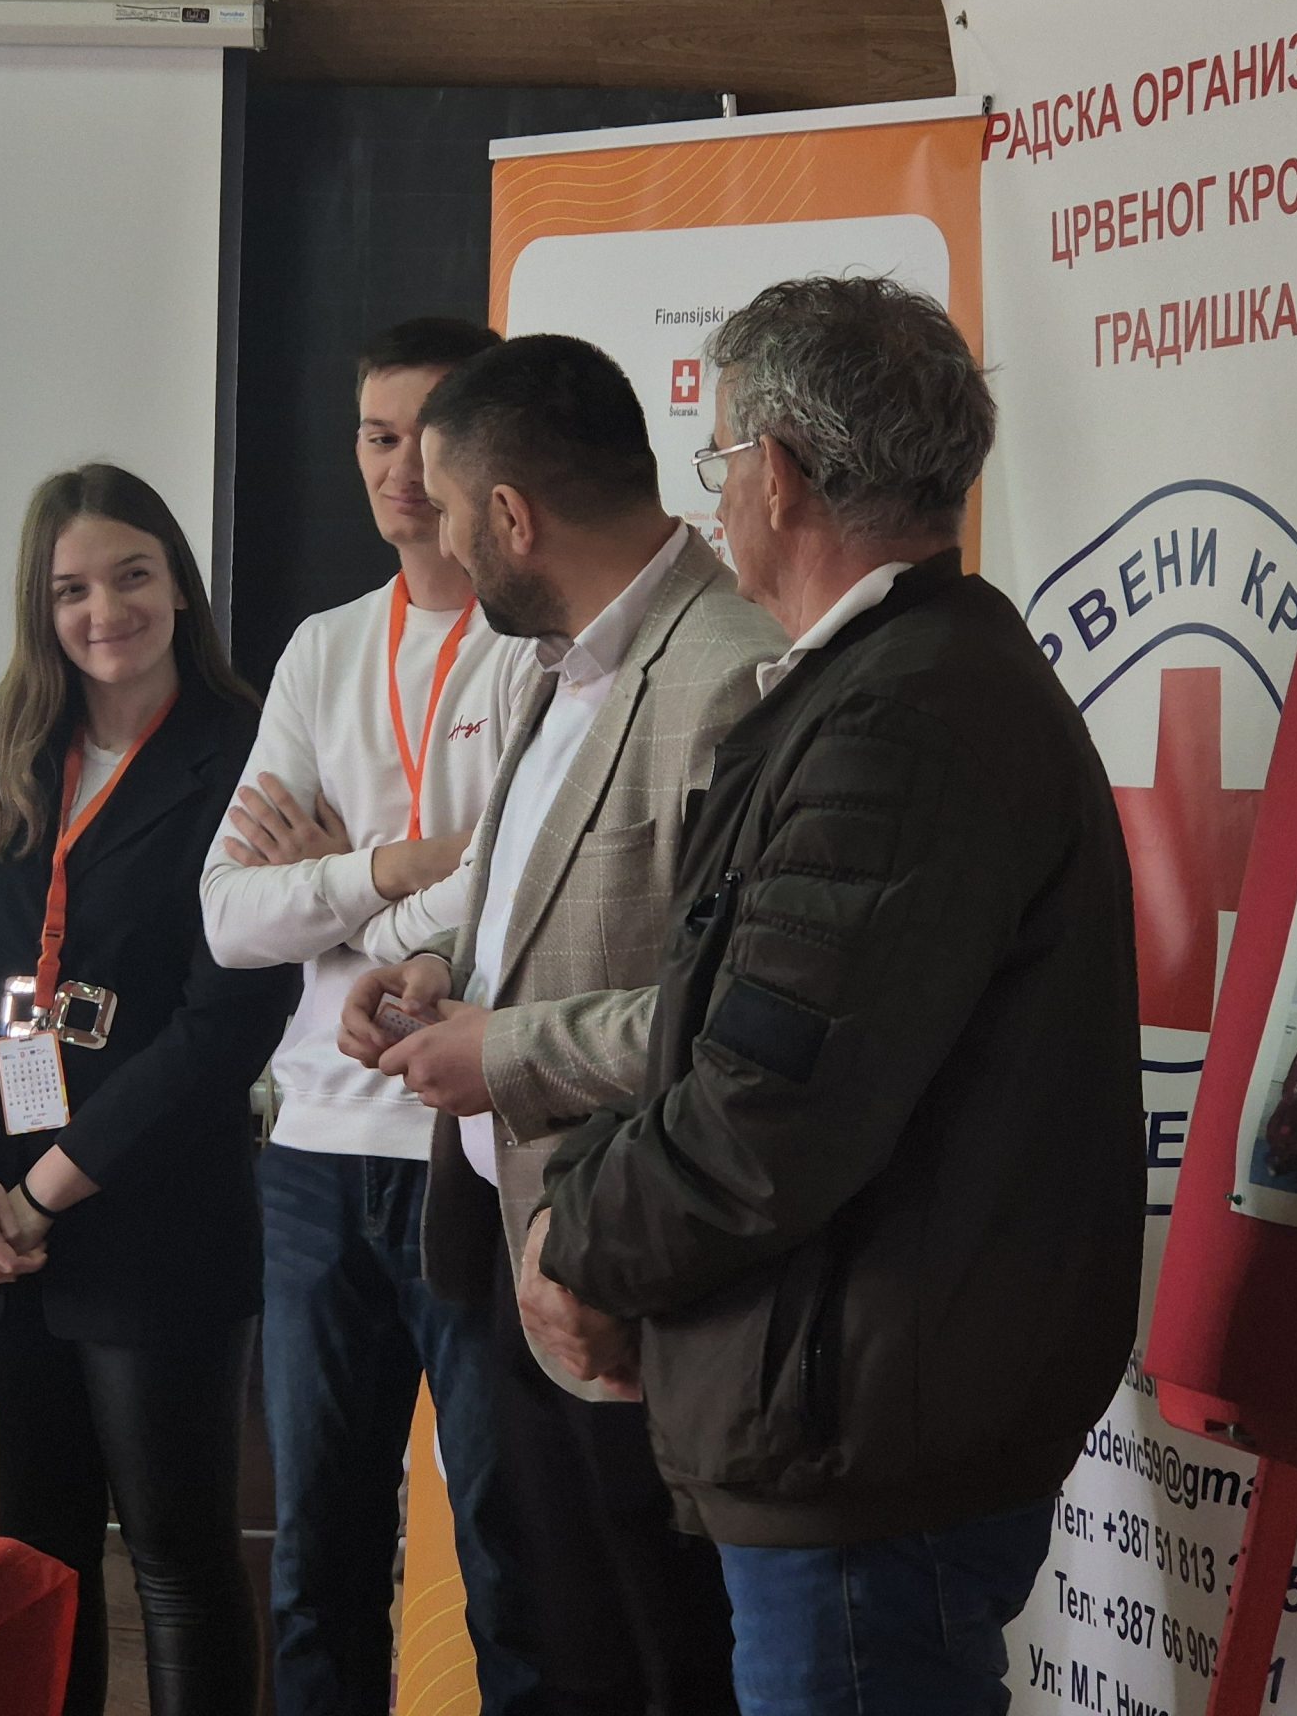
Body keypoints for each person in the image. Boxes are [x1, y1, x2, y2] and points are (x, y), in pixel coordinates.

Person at [512, 276, 1143, 1716]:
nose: (714, 494)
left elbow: (764, 1114)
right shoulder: (898, 682)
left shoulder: (900, 717)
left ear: (783, 475)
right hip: (862, 1404)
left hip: (866, 1439)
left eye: (721, 456)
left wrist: (576, 1236)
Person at [338, 331, 782, 1716]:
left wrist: (501, 1050)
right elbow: (522, 899)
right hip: (507, 1248)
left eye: (452, 514)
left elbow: (740, 1023)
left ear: (513, 516)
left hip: (638, 1274)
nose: (443, 546)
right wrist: (434, 969)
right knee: (552, 1647)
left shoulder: (734, 676)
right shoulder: (548, 660)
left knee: (662, 1663)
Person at [0, 464, 299, 1716]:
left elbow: (229, 1018)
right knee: (26, 1567)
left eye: (131, 576)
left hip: (154, 1211)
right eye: (70, 589)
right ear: (39, 605)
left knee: (176, 1560)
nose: (104, 611)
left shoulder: (250, 749)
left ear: (178, 584)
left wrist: (44, 1195)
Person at [198, 318, 545, 1716]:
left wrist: (340, 890)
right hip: (314, 1159)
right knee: (314, 1563)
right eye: (375, 435)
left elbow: (519, 892)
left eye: (429, 434)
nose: (402, 468)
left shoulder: (540, 647)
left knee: (509, 1559)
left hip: (474, 1149)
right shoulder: (324, 647)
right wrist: (398, 866)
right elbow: (230, 918)